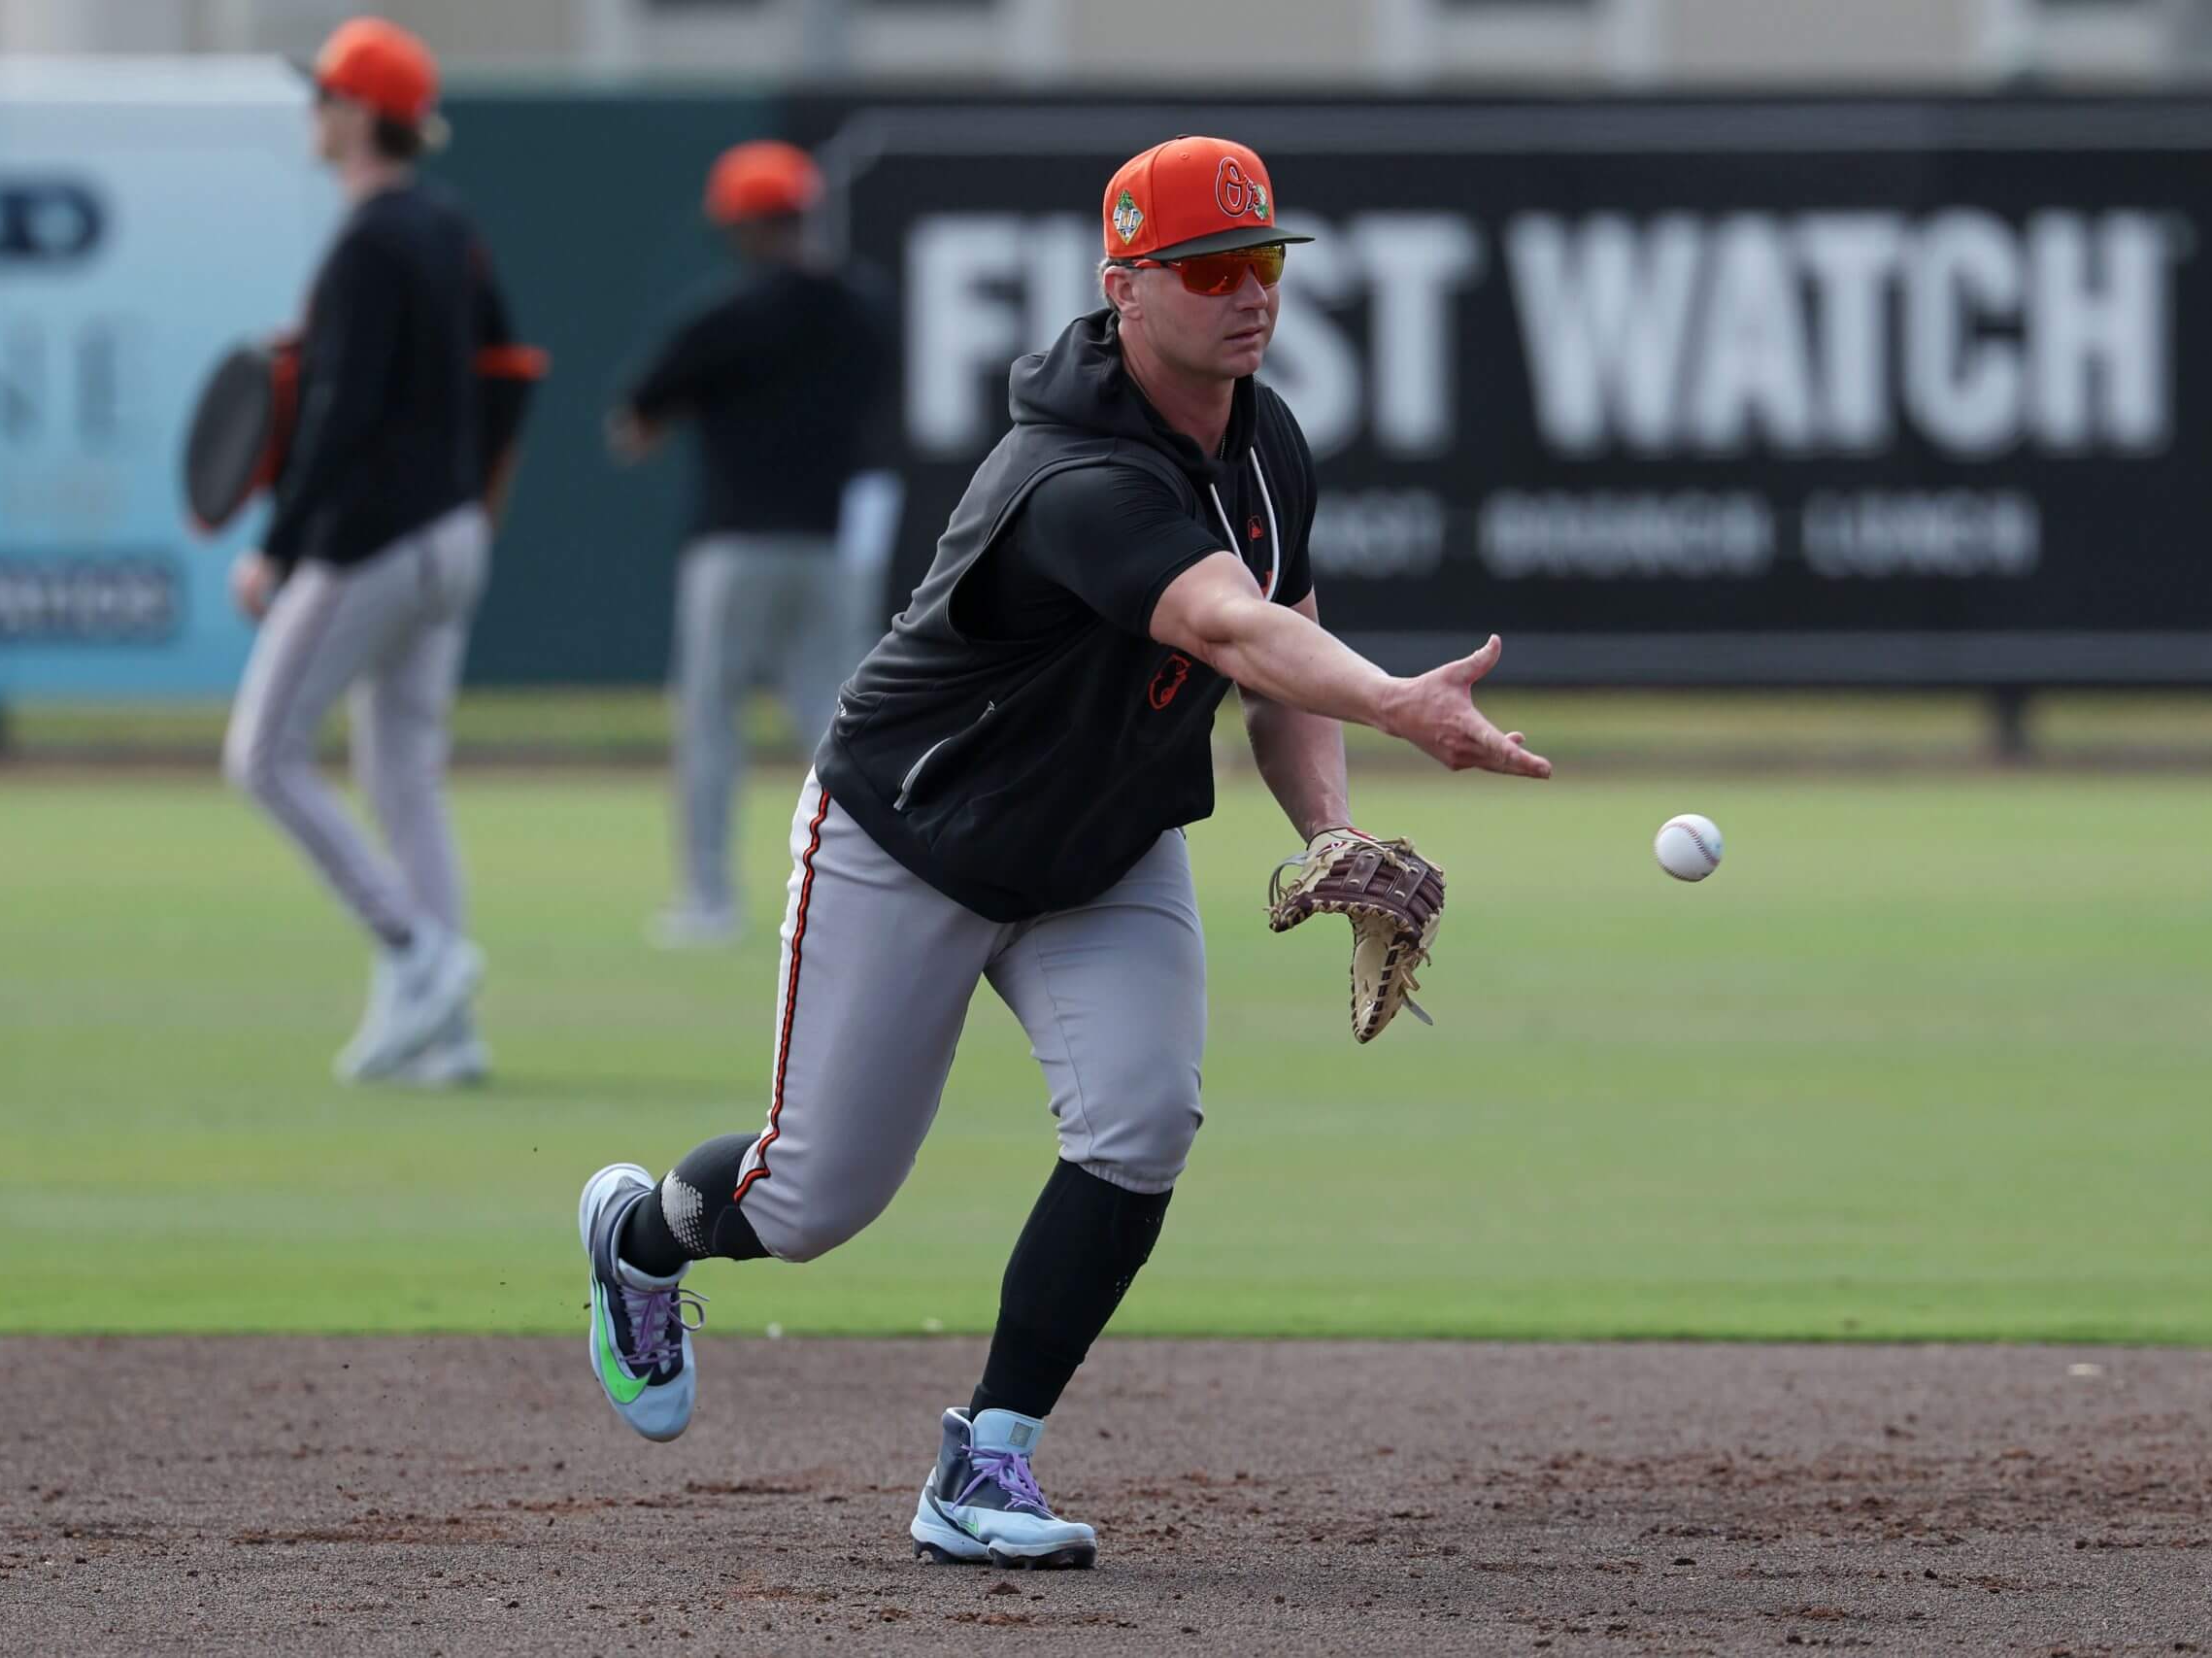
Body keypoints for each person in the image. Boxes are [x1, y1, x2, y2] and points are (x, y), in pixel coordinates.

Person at [574, 135, 1549, 1569]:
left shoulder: (1265, 443)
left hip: (1104, 848)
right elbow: (1229, 626)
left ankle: (989, 1455)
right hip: (914, 837)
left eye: (1265, 260)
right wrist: (1400, 699)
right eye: (1210, 267)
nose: (1250, 293)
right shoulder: (1071, 470)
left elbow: (1276, 674)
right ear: (1124, 288)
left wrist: (1331, 825)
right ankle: (641, 1239)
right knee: (809, 1199)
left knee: (1142, 1122)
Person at [221, 17, 525, 1086]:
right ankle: (449, 1033)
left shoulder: (366, 239)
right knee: (402, 776)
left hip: (376, 539)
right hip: (451, 531)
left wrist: (281, 544)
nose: (312, 113)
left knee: (261, 754)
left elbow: (338, 417)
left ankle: (418, 948)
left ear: (357, 115)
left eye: (323, 97)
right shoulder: (444, 225)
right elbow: (511, 367)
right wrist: (473, 498)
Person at [610, 140, 895, 949]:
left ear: (741, 226)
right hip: (831, 542)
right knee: (836, 723)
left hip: (734, 544)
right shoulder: (863, 304)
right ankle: (874, 888)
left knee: (710, 721)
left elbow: (636, 419)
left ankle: (707, 898)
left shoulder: (726, 315)